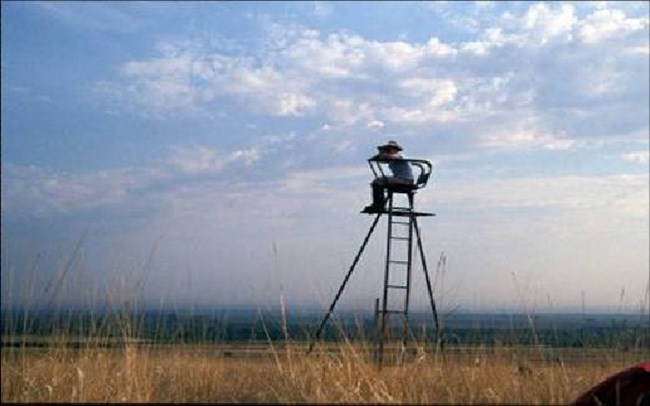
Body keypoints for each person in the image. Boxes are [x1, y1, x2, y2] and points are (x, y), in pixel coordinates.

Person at [362, 140, 414, 213]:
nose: (389, 150)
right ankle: (378, 204)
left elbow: (390, 157)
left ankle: (379, 205)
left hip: (406, 180)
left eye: (391, 148)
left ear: (396, 149)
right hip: (401, 179)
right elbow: (382, 159)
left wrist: (382, 153)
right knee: (378, 181)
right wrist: (379, 154)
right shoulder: (391, 158)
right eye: (388, 148)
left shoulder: (398, 156)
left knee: (378, 181)